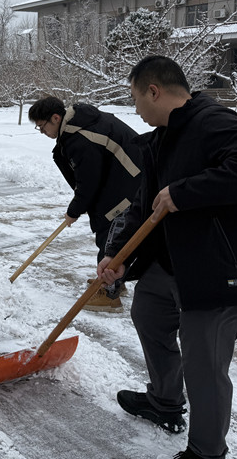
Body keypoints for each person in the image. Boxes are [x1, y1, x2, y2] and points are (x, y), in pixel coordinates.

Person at [97, 55, 237, 459]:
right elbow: (144, 207)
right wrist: (116, 254)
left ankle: (207, 451)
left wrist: (185, 192)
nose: (135, 110)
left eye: (135, 99)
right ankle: (165, 401)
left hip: (218, 271)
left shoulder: (214, 122)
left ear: (154, 90)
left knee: (204, 365)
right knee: (147, 314)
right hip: (172, 264)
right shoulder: (162, 137)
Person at [29, 95, 142, 311]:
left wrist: (74, 210)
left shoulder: (80, 137)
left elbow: (88, 181)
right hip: (122, 181)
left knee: (112, 236)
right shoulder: (78, 126)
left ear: (55, 118)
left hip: (130, 185)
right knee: (111, 233)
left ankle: (109, 294)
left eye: (42, 127)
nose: (42, 132)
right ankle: (116, 281)